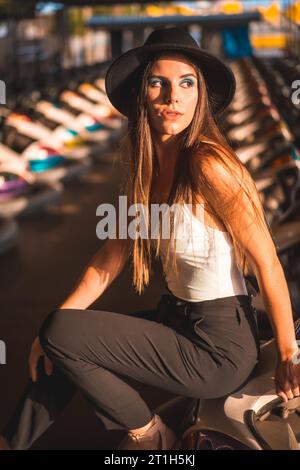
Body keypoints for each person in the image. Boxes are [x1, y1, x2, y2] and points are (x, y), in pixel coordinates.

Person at [1, 27, 299, 451]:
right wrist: (49, 335)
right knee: (58, 342)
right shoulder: (147, 175)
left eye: (186, 83)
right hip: (178, 320)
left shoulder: (209, 166)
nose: (172, 97)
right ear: (143, 94)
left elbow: (268, 261)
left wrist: (288, 353)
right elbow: (109, 259)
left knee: (61, 331)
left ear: (199, 97)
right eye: (158, 82)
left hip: (218, 347)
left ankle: (149, 433)